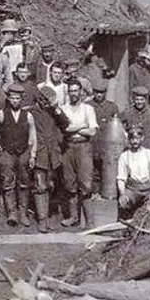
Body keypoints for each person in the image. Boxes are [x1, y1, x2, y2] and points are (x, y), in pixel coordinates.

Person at [0, 83, 37, 228]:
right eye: (12, 98)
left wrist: (32, 155)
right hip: (6, 153)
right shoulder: (1, 114)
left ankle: (23, 213)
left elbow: (33, 137)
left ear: (21, 99)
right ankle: (12, 213)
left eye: (17, 98)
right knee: (8, 183)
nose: (15, 101)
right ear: (8, 98)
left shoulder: (28, 116)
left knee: (24, 183)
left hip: (23, 152)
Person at [59, 79, 98, 229]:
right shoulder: (64, 109)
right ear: (68, 93)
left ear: (80, 92)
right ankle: (73, 217)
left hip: (84, 147)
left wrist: (74, 127)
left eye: (76, 90)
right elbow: (64, 129)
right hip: (68, 147)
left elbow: (92, 131)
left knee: (86, 183)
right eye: (71, 91)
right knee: (70, 183)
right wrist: (82, 126)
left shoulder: (88, 109)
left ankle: (90, 222)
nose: (73, 94)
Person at [32, 85, 66, 232]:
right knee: (40, 186)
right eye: (45, 102)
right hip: (39, 153)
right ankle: (42, 220)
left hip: (53, 154)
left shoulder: (53, 112)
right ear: (40, 99)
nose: (47, 105)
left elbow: (66, 123)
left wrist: (57, 109)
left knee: (52, 185)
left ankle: (49, 217)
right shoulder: (30, 112)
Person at [117, 126, 150, 220]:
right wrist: (123, 193)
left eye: (137, 138)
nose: (134, 141)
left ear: (142, 138)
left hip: (148, 188)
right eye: (132, 139)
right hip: (133, 189)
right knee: (123, 203)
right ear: (128, 139)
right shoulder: (124, 156)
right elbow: (121, 178)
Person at [88, 81, 119, 194]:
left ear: (105, 93)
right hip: (92, 142)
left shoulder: (112, 107)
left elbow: (117, 125)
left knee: (106, 168)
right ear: (93, 92)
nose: (99, 95)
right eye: (97, 92)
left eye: (101, 92)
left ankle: (107, 191)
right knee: (93, 169)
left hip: (107, 145)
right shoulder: (88, 105)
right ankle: (95, 192)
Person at [121, 86, 150, 153]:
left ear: (146, 100)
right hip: (132, 146)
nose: (139, 102)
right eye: (137, 99)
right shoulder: (128, 112)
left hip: (149, 146)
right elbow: (121, 126)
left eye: (141, 99)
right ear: (134, 100)